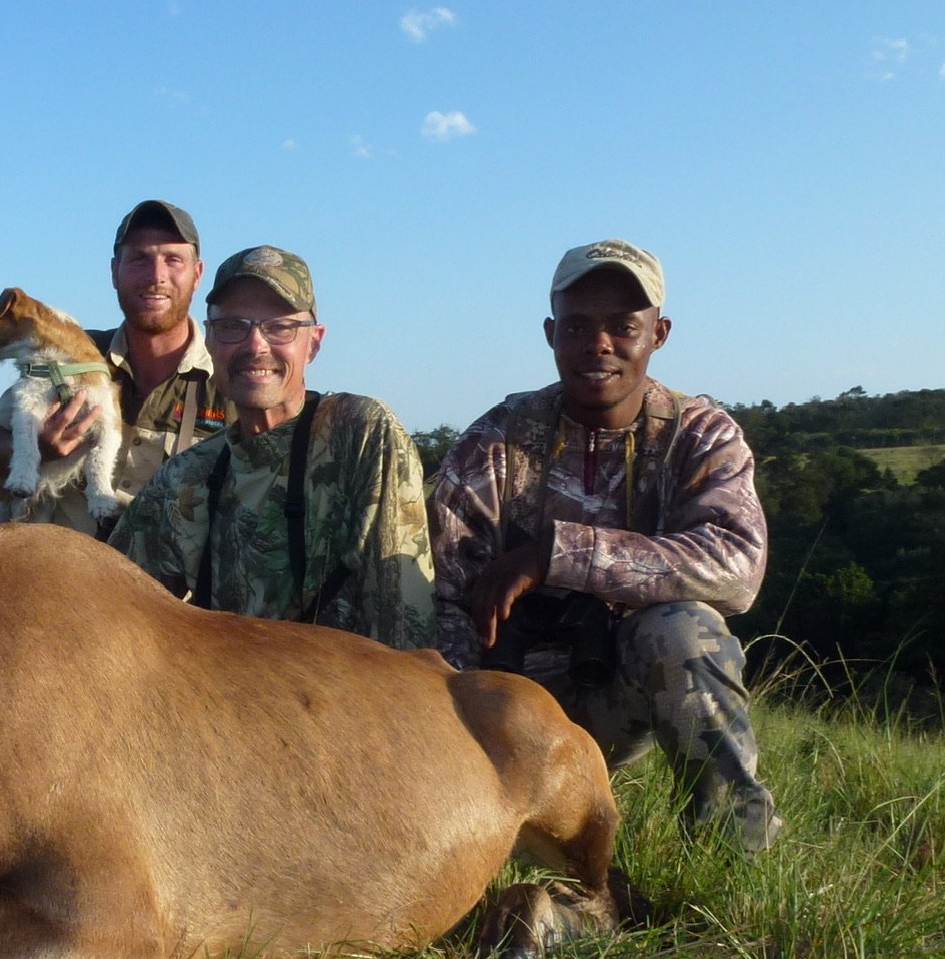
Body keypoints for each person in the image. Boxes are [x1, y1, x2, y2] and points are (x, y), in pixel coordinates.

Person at [428, 238, 782, 849]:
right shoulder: (498, 438)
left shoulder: (700, 435)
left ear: (659, 332)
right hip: (507, 706)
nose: (599, 345)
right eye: (578, 327)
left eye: (623, 326)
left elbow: (738, 570)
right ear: (550, 333)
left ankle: (735, 852)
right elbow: (445, 593)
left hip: (622, 692)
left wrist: (554, 555)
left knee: (685, 628)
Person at [108, 246, 436, 648]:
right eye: (232, 326)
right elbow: (107, 602)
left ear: (313, 343)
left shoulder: (361, 434)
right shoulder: (185, 478)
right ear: (209, 340)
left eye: (280, 326)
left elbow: (403, 621)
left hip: (351, 699)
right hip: (230, 699)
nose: (255, 346)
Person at [0, 200, 228, 534]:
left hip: (162, 582)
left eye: (173, 260)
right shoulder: (68, 356)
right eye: (139, 259)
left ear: (197, 274)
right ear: (115, 271)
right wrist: (40, 447)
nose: (156, 276)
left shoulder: (227, 380)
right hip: (60, 569)